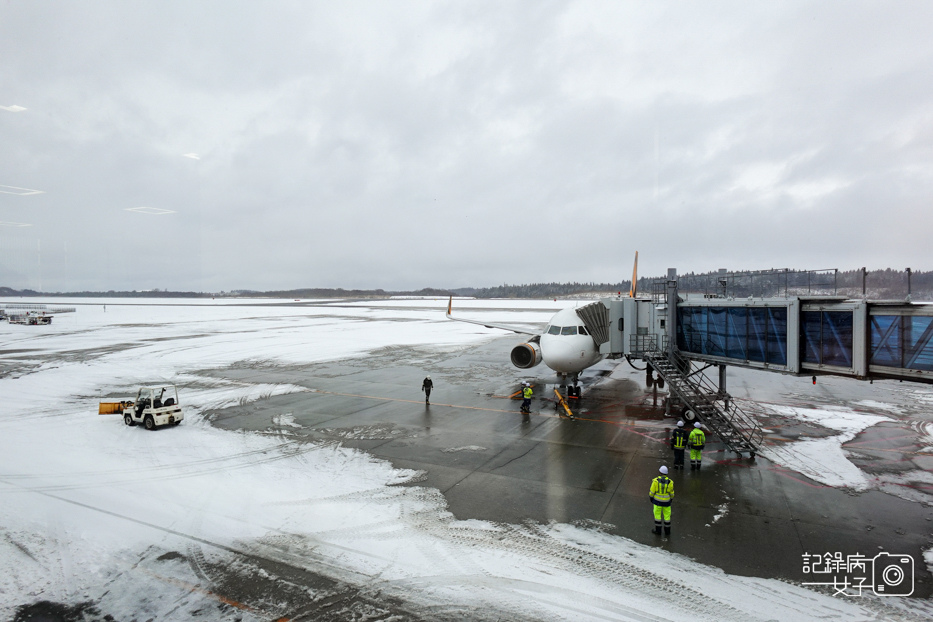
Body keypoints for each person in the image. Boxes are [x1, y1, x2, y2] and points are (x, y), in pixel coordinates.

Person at [649, 465, 674, 536]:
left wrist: (651, 497)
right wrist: (671, 499)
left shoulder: (655, 481)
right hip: (667, 502)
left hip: (657, 502)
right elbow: (671, 493)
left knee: (657, 516)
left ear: (660, 472)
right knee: (667, 516)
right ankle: (667, 531)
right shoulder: (670, 482)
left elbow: (652, 491)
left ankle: (658, 530)